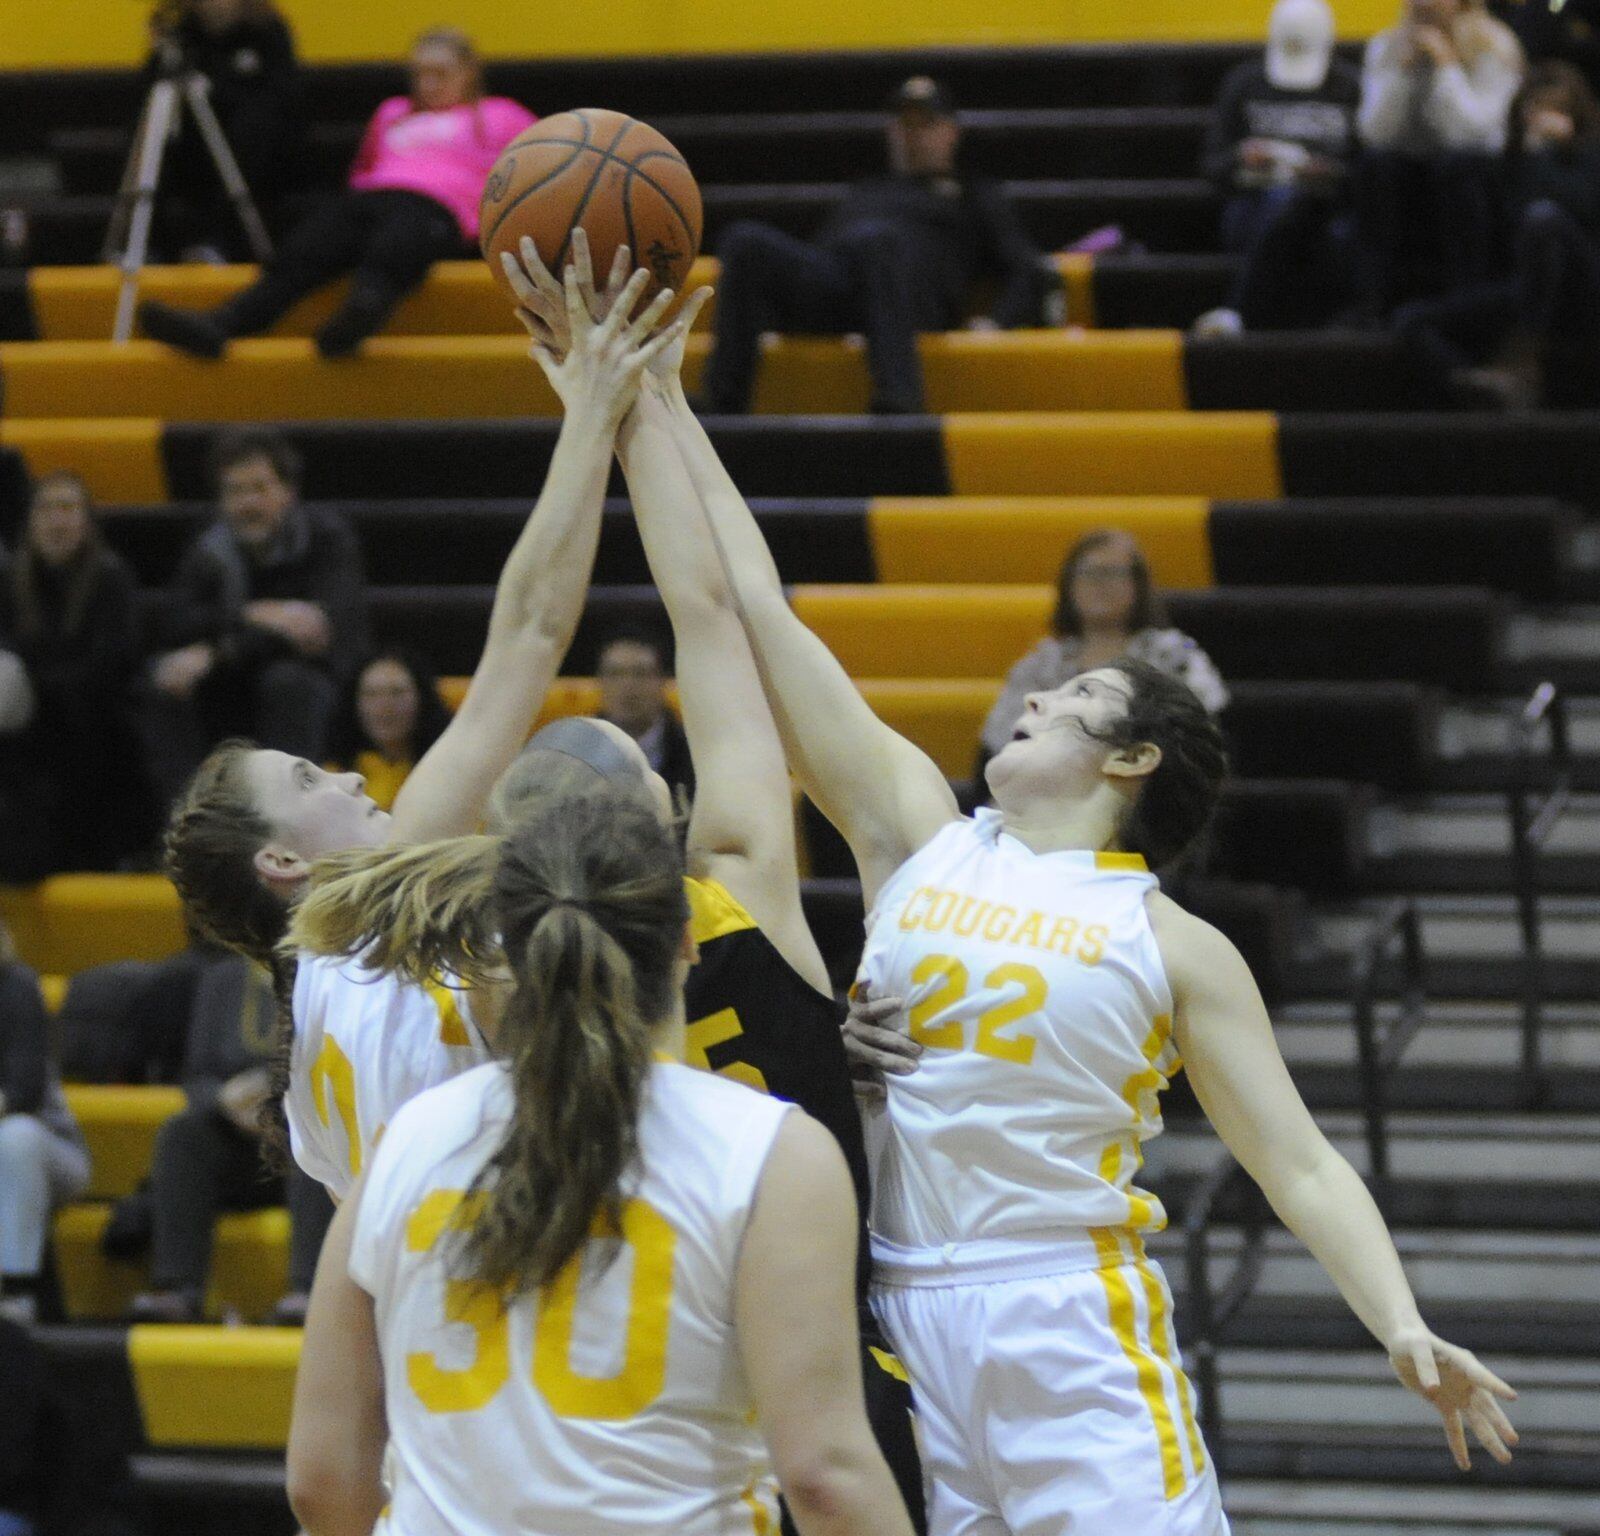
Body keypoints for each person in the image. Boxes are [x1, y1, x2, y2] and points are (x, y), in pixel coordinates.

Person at [635, 327, 1521, 1534]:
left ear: (1131, 759)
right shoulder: (916, 830)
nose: (1039, 692)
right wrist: (657, 396)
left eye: (1075, 700)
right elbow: (754, 605)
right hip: (893, 1310)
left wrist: (1400, 1321)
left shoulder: (1173, 942)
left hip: (1066, 1312)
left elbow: (1298, 1159)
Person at [287, 238, 929, 1529]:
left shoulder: (437, 1016)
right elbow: (715, 612)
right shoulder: (742, 889)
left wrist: (607, 398)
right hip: (791, 1424)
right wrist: (648, 399)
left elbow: (321, 1481)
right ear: (671, 826)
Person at [161, 240, 684, 1207]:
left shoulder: (312, 1094)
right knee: (598, 769)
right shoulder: (370, 921)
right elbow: (525, 637)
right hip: (550, 1303)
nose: (353, 777)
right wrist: (590, 414)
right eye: (309, 784)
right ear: (282, 865)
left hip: (444, 1346)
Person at [285, 789, 917, 1536]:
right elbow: (824, 1478)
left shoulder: (407, 1141)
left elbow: (324, 1479)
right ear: (688, 938)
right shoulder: (770, 1151)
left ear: (508, 948)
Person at [138, 27, 534, 358]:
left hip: (440, 207)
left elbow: (542, 165)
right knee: (312, 241)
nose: (427, 84)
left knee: (401, 235)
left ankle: (365, 306)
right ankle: (223, 323)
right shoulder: (393, 112)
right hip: (377, 195)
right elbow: (364, 170)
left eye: (440, 73)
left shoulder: (499, 114)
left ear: (468, 72)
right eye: (420, 73)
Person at [700, 76, 1048, 415]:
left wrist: (996, 323)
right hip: (842, 290)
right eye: (904, 125)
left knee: (877, 242)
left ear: (951, 132)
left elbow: (1028, 270)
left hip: (911, 300)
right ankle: (723, 401)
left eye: (925, 124)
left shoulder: (974, 195)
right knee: (744, 240)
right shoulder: (867, 190)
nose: (913, 136)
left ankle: (901, 397)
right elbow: (824, 252)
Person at [142, 427, 367, 807]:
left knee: (288, 683)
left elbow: (315, 634)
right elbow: (177, 618)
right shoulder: (210, 543)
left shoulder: (327, 538)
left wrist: (219, 649)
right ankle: (186, 823)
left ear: (287, 492)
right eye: (235, 491)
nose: (247, 503)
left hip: (317, 677)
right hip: (236, 677)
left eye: (259, 488)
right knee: (161, 681)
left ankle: (291, 819)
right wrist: (255, 613)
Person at [128, 952, 334, 1324]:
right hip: (240, 1137)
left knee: (318, 1143)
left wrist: (283, 1099)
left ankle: (308, 1290)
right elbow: (197, 1075)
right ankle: (178, 1288)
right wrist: (223, 1099)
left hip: (305, 1138)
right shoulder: (222, 977)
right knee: (182, 1133)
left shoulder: (336, 974)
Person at [1395, 59, 1600, 404]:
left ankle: (1525, 359)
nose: (1545, 119)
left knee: (1543, 219)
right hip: (1525, 289)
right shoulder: (1512, 162)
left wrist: (1551, 150)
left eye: (1558, 110)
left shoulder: (1591, 156)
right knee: (1412, 321)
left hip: (1585, 284)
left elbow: (1581, 207)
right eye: (1537, 110)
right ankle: (1482, 390)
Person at [0, 473, 157, 878]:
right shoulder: (12, 583)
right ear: (29, 522)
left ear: (87, 521)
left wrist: (38, 687)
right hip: (31, 730)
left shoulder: (111, 578)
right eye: (46, 509)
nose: (57, 520)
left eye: (68, 508)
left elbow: (108, 667)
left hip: (97, 732)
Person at [976, 529, 1227, 780]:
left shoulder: (1173, 654)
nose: (1100, 583)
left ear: (1138, 584)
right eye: (1088, 573)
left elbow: (1204, 743)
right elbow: (999, 749)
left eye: (1113, 573)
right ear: (1068, 585)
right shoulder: (1040, 664)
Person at [1194, 0, 1367, 335]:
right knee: (1283, 206)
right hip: (1255, 205)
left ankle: (1239, 311)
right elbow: (1213, 165)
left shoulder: (1350, 87)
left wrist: (1327, 172)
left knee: (1309, 214)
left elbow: (1365, 171)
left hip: (1327, 210)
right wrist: (1242, 158)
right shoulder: (1244, 84)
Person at [1358, 0, 1526, 309]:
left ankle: (1465, 303)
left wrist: (1447, 66)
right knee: (1378, 165)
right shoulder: (1387, 45)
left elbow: (1475, 135)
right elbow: (1374, 133)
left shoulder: (1495, 45)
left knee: (1457, 166)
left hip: (1476, 176)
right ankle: (1375, 304)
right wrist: (1403, 74)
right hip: (1411, 176)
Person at [142, 0, 305, 263]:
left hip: (255, 147)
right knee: (155, 133)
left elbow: (285, 97)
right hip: (195, 146)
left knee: (253, 128)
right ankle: (145, 245)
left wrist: (217, 91)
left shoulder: (267, 32)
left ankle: (220, 243)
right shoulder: (180, 35)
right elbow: (152, 91)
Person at [0, 923, 91, 1326]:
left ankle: (15, 1292)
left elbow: (22, 1092)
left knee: (15, 1137)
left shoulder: (14, 986)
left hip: (47, 1150)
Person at [325, 649, 452, 813]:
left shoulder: (449, 774)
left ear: (423, 699)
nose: (384, 705)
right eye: (371, 694)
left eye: (397, 692)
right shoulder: (333, 779)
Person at [596, 626, 696, 809]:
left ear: (663, 681)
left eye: (640, 673)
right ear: (600, 682)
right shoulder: (577, 751)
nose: (628, 685)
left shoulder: (694, 755)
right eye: (615, 674)